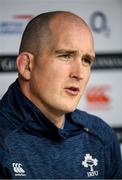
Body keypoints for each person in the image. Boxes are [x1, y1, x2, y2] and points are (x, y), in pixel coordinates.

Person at [0, 11, 122, 179]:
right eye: (65, 56)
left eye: (86, 60)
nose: (79, 73)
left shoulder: (100, 136)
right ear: (27, 66)